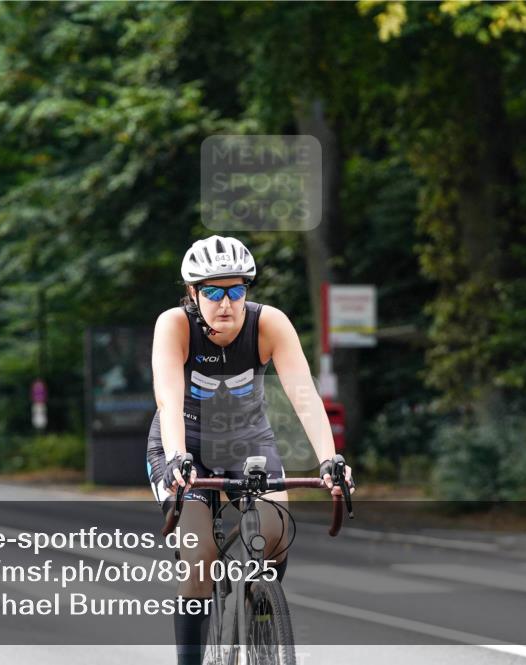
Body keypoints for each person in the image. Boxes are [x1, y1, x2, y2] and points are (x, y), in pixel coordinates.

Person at [146, 235, 355, 665]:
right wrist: (177, 458)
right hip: (185, 444)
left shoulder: (269, 324)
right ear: (193, 293)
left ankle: (258, 612)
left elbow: (304, 395)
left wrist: (329, 459)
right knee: (199, 558)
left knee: (275, 533)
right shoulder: (174, 326)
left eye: (236, 290)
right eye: (213, 292)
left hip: (248, 442)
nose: (226, 303)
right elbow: (167, 399)